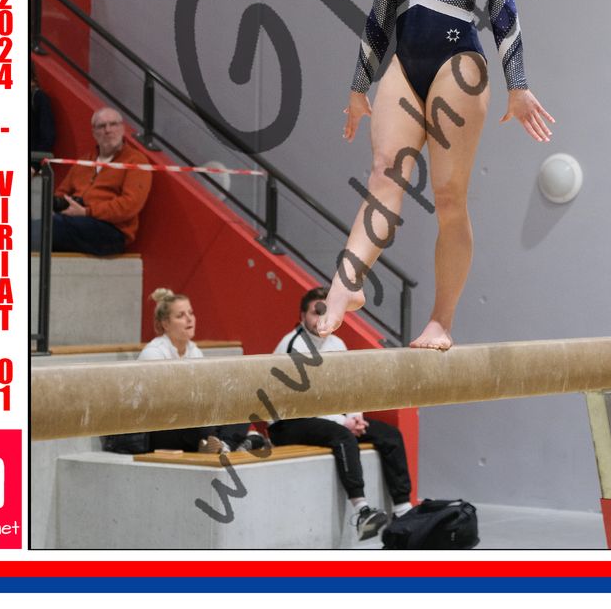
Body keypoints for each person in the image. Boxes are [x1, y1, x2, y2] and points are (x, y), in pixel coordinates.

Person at [320, 0, 555, 350]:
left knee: (448, 197)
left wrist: (518, 84)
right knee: (383, 175)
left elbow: (503, 5)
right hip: (405, 66)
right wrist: (358, 86)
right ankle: (344, 286)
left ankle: (441, 320)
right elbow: (382, 11)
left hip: (459, 66)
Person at [270, 287, 413, 542]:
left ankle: (403, 510)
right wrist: (343, 422)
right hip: (288, 422)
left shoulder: (337, 344)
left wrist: (356, 417)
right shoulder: (295, 346)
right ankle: (362, 510)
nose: (321, 318)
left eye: (326, 312)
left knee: (390, 435)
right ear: (302, 316)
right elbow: (303, 402)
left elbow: (349, 389)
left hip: (329, 418)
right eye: (316, 312)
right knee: (342, 437)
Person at [137, 288, 264, 455]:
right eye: (180, 315)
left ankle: (224, 445)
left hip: (191, 420)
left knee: (241, 403)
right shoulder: (153, 353)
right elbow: (159, 404)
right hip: (159, 428)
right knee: (204, 425)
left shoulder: (194, 350)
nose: (189, 319)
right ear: (165, 324)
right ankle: (238, 441)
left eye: (191, 313)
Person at [30, 106, 152, 256]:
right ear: (94, 132)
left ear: (122, 129)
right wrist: (64, 204)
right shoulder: (84, 161)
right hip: (74, 223)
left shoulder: (136, 160)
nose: (108, 130)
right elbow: (61, 193)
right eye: (101, 126)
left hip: (112, 231)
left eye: (113, 124)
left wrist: (87, 211)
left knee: (48, 228)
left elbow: (130, 205)